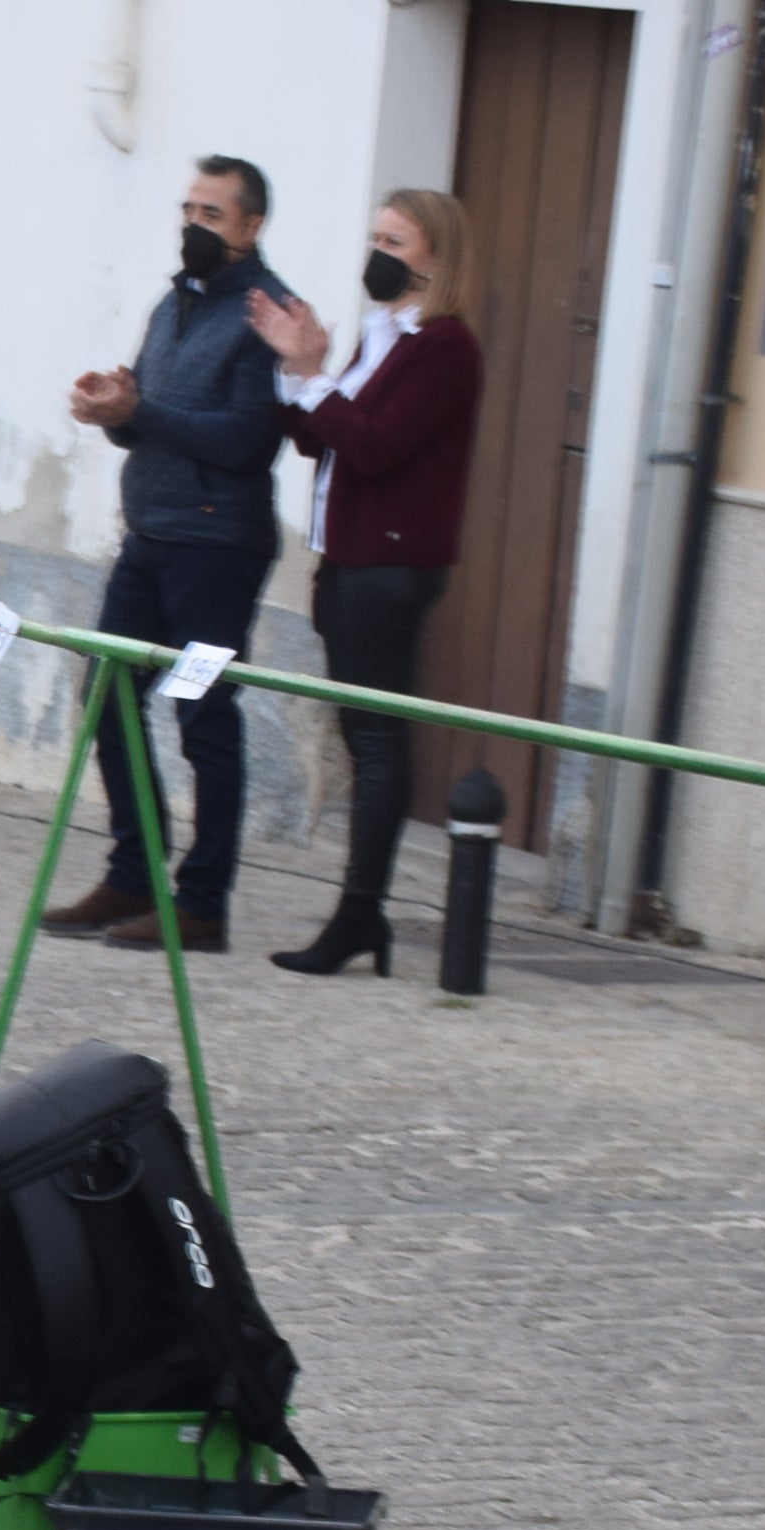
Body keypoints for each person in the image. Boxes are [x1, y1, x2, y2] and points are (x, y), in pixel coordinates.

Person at [54, 157, 292, 955]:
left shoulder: (267, 315)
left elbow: (244, 441)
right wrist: (112, 410)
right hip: (150, 537)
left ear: (252, 227)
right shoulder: (172, 304)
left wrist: (143, 411)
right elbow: (145, 414)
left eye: (213, 215)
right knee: (108, 695)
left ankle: (203, 902)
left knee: (203, 715)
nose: (195, 226)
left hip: (216, 549)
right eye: (188, 210)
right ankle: (133, 869)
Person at [250, 188, 482, 980]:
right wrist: (297, 369)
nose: (378, 251)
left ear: (434, 258)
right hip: (345, 558)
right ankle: (360, 914)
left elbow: (376, 446)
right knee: (361, 736)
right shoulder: (382, 336)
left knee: (379, 741)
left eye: (396, 239)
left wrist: (316, 377)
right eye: (375, 235)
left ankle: (359, 915)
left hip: (392, 565)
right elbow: (324, 438)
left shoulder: (444, 347)